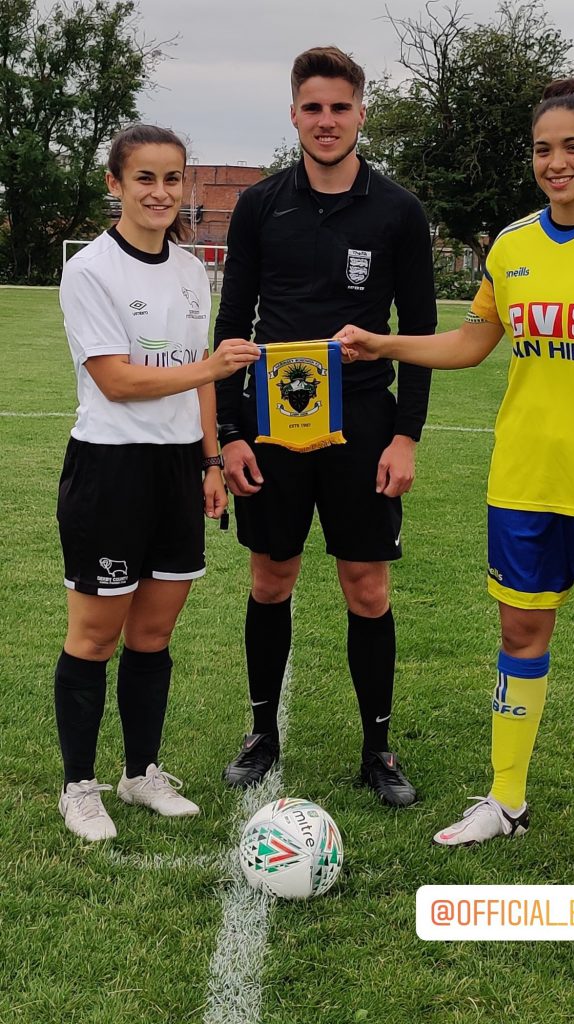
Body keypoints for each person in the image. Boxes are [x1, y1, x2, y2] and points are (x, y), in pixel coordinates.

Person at [337, 79, 574, 875]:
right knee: (518, 634)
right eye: (543, 149)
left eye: (572, 146)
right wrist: (387, 344)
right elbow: (472, 341)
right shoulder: (510, 248)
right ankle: (504, 800)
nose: (557, 161)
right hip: (520, 485)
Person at [214, 46, 437, 806]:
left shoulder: (397, 210)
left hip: (365, 425)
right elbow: (231, 320)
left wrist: (405, 435)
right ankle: (261, 733)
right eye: (312, 107)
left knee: (365, 586)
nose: (326, 121)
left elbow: (421, 331)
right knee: (270, 578)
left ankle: (378, 749)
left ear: (360, 113)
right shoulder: (260, 205)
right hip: (272, 423)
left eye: (339, 107)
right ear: (293, 114)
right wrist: (229, 432)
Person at [56, 124, 260, 840]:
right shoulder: (89, 270)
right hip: (111, 468)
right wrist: (210, 370)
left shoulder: (188, 268)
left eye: (172, 179)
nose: (160, 192)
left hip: (178, 468)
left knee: (153, 633)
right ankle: (79, 786)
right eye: (144, 178)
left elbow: (195, 368)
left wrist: (209, 460)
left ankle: (140, 773)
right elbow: (114, 382)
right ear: (115, 183)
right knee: (95, 635)